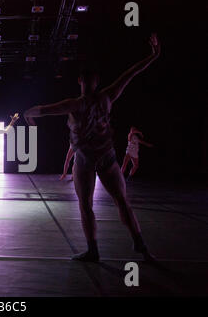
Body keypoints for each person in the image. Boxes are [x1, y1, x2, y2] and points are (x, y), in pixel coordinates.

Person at [24, 34, 161, 262]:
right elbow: (131, 73)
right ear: (94, 80)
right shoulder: (106, 96)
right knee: (117, 202)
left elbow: (45, 109)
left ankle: (105, 248)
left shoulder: (77, 103)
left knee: (92, 204)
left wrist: (29, 114)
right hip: (102, 157)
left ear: (81, 81)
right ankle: (133, 244)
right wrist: (153, 55)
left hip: (91, 159)